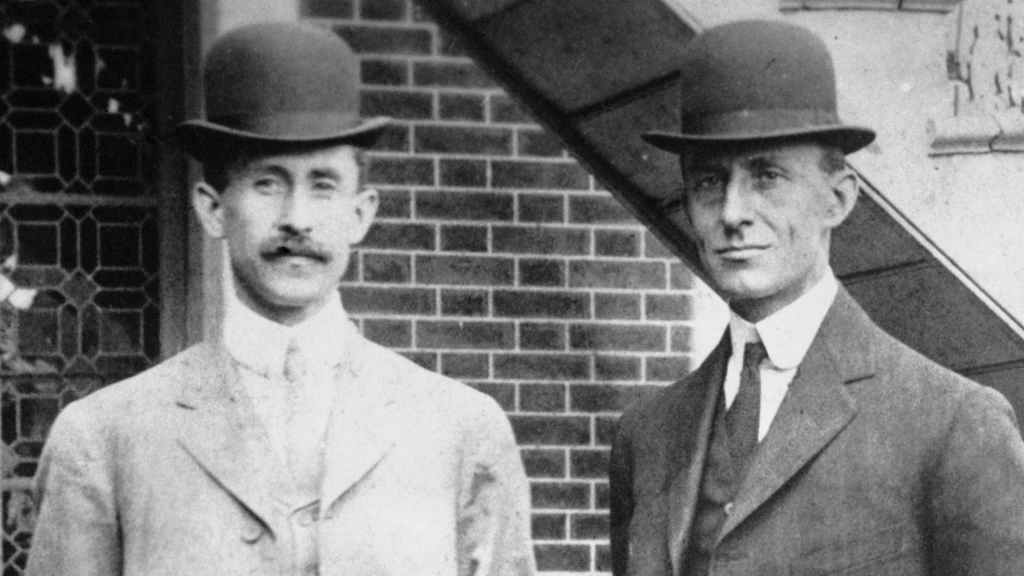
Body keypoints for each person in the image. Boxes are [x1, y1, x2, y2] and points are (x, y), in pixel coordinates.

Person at [27, 22, 535, 576]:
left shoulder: (460, 430)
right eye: (267, 183)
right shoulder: (104, 438)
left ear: (361, 213)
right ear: (212, 209)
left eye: (323, 185)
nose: (296, 218)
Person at [609, 19, 1024, 576]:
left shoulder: (953, 422)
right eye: (708, 182)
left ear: (837, 199)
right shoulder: (646, 436)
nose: (732, 213)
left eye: (767, 176)